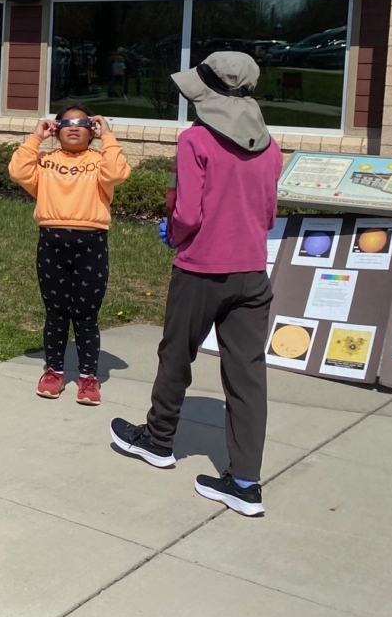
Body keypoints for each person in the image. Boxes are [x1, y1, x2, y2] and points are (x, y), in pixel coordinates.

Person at [110, 51, 283, 517]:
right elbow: (269, 215)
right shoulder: (270, 147)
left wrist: (174, 231)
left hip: (201, 268)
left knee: (176, 354)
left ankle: (158, 439)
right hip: (252, 272)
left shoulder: (195, 140)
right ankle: (244, 482)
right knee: (248, 374)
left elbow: (187, 214)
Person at [9, 106, 131, 406]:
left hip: (91, 244)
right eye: (66, 123)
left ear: (92, 131)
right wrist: (36, 138)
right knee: (56, 313)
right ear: (56, 129)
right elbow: (18, 171)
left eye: (81, 123)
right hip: (52, 242)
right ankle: (54, 371)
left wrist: (108, 137)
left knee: (86, 316)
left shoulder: (100, 161)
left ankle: (88, 376)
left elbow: (118, 172)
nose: (74, 127)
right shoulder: (45, 161)